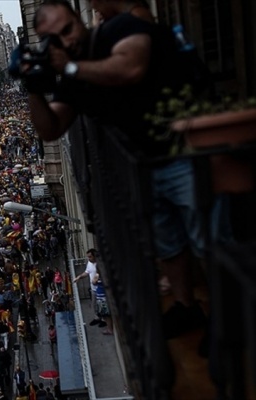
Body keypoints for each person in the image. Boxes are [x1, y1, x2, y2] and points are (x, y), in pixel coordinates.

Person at [25, 0, 207, 339]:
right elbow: (51, 128)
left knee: (206, 240)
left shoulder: (117, 30)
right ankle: (187, 306)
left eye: (69, 28)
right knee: (169, 244)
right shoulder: (70, 75)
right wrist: (32, 90)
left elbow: (130, 68)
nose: (68, 40)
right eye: (55, 38)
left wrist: (72, 68)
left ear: (80, 20)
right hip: (143, 164)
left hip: (182, 149)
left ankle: (226, 324)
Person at [73, 249, 102, 325]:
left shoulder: (99, 264)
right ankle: (97, 318)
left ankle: (104, 320)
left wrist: (96, 279)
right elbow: (87, 272)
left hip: (101, 289)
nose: (89, 258)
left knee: (102, 304)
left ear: (94, 256)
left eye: (90, 257)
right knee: (94, 304)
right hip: (93, 288)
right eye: (88, 257)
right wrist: (79, 276)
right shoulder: (89, 263)